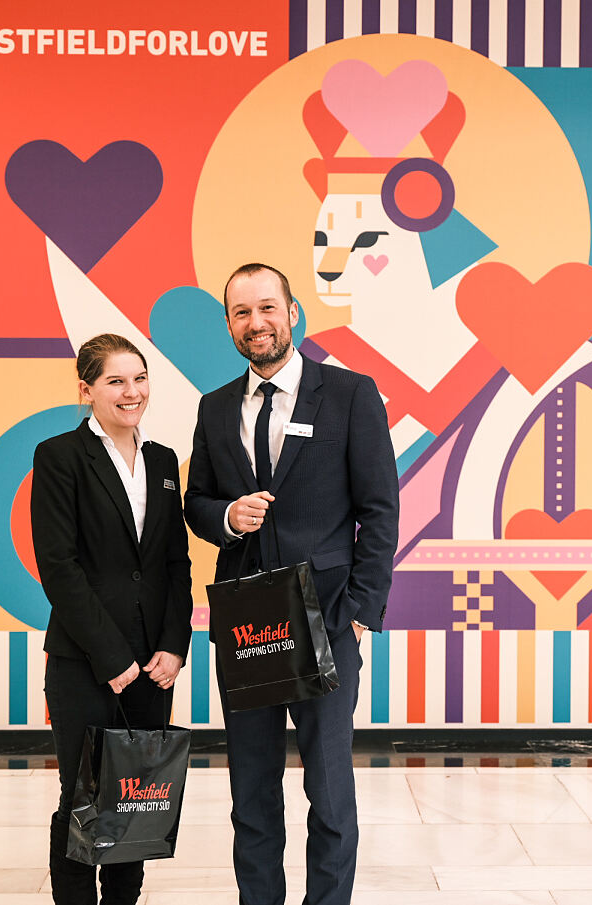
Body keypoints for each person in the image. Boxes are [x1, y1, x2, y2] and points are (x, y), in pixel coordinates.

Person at [185, 263, 399, 905]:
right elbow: (196, 501)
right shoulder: (215, 407)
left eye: (267, 308)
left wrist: (361, 608)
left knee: (329, 788)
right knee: (251, 788)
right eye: (242, 312)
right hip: (250, 620)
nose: (257, 323)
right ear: (228, 324)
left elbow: (380, 508)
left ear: (293, 312)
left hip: (327, 618)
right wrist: (226, 517)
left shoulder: (352, 393)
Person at [31, 333, 193, 905]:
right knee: (80, 795)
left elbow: (176, 561)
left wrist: (175, 646)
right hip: (85, 661)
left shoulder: (164, 461)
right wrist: (112, 657)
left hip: (155, 664)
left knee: (136, 794)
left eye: (140, 378)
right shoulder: (59, 457)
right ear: (87, 389)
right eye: (115, 381)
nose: (132, 392)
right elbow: (59, 565)